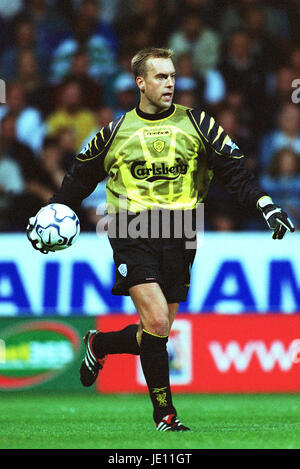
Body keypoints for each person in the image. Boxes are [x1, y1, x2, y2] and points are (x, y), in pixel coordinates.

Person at [26, 47, 295, 432]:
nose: (170, 83)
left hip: (181, 232)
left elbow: (235, 171)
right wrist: (47, 215)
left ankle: (98, 345)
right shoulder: (115, 131)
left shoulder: (199, 123)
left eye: (172, 76)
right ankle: (165, 416)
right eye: (160, 77)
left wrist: (265, 204)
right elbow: (78, 180)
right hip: (130, 229)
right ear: (140, 82)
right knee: (154, 319)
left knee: (157, 331)